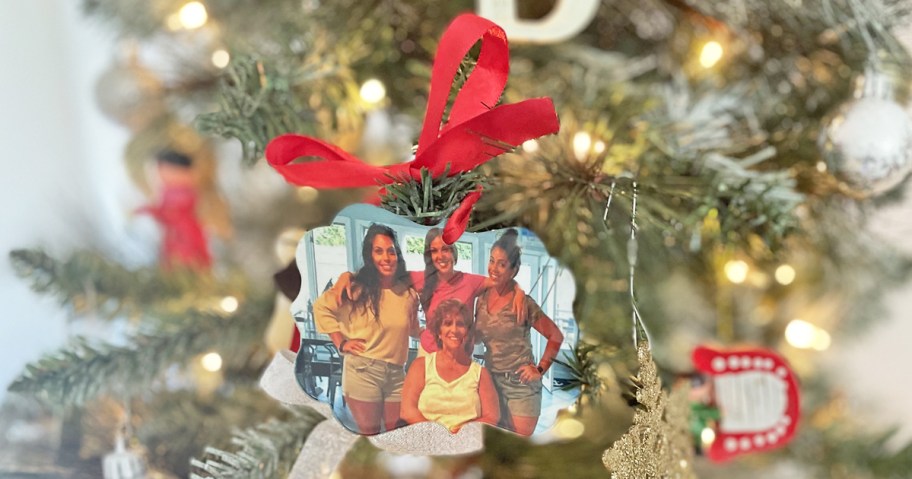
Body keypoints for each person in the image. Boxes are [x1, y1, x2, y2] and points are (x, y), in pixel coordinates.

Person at [334, 227, 524, 355]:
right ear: (429, 255)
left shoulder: (471, 281)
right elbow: (383, 273)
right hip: (429, 356)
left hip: (461, 356)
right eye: (434, 251)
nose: (441, 256)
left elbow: (501, 279)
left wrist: (518, 289)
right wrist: (348, 275)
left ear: (454, 253)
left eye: (446, 249)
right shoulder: (420, 279)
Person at [312, 224, 419, 435]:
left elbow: (413, 328)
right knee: (371, 435)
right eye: (378, 251)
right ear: (369, 255)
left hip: (397, 373)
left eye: (391, 251)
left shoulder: (407, 293)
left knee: (397, 436)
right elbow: (321, 307)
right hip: (363, 371)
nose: (386, 257)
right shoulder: (356, 288)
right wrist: (341, 342)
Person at [475, 229, 564, 436]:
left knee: (516, 448)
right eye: (492, 260)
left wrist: (539, 369)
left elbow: (555, 336)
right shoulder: (481, 298)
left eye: (502, 264)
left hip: (520, 388)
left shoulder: (523, 303)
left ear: (514, 271)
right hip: (490, 384)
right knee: (491, 447)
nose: (494, 268)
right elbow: (479, 336)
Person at [400, 299, 499, 432]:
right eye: (447, 324)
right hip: (427, 440)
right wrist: (438, 434)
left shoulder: (481, 373)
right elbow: (407, 411)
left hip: (467, 443)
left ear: (468, 332)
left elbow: (491, 417)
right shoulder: (421, 366)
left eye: (460, 324)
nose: (454, 329)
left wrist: (459, 433)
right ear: (439, 332)